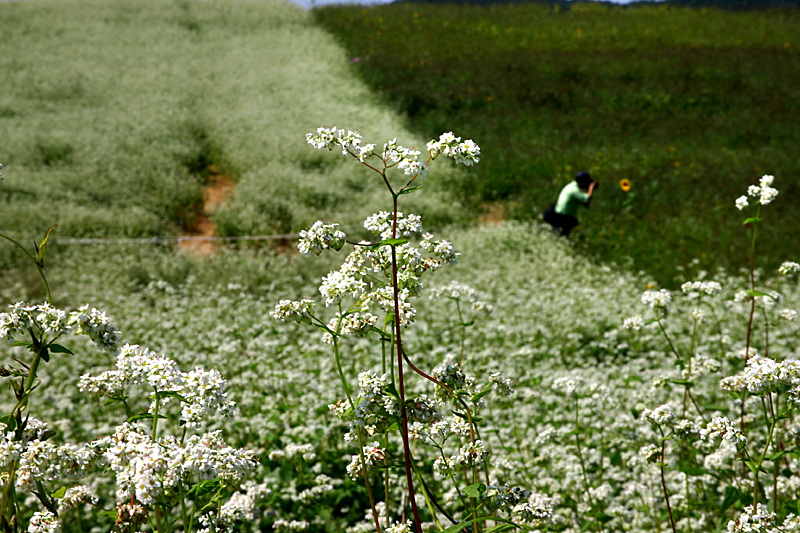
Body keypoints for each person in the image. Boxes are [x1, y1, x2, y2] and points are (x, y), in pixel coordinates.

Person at [542, 171, 597, 236]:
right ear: (582, 183)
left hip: (559, 215)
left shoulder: (570, 186)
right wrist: (591, 188)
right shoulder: (574, 190)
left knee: (559, 235)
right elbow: (586, 199)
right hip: (563, 217)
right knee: (560, 236)